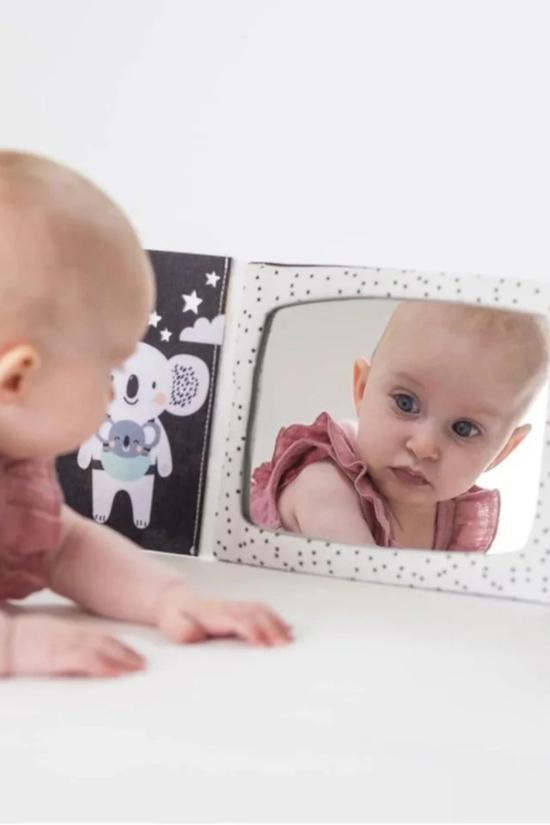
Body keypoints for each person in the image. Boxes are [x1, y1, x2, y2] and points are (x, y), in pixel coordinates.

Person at [0, 151, 292, 679]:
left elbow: (63, 548)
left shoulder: (16, 466)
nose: (116, 393)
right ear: (17, 377)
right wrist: (13, 643)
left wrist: (167, 598)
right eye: (110, 366)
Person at [251, 299, 549, 552]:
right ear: (362, 389)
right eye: (406, 403)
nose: (424, 446)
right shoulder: (324, 487)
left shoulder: (455, 518)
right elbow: (363, 597)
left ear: (502, 451)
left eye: (465, 429)